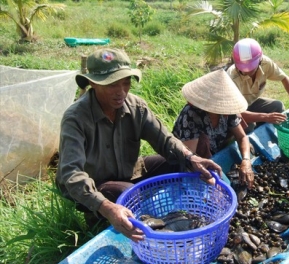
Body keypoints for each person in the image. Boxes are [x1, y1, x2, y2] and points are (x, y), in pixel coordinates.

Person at [55, 48, 222, 242]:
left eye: (126, 83)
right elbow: (71, 175)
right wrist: (106, 207)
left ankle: (185, 214)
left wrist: (190, 158)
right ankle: (100, 217)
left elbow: (165, 140)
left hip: (130, 171)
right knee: (128, 194)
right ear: (93, 83)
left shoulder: (136, 107)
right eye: (112, 85)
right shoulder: (75, 118)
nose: (121, 92)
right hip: (96, 184)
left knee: (181, 160)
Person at [172, 69, 255, 188]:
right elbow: (191, 157)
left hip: (215, 149)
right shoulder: (191, 114)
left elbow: (241, 136)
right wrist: (212, 179)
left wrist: (246, 161)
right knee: (203, 141)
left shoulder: (228, 111)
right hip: (191, 158)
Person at [226, 38, 289, 132]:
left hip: (251, 103)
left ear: (260, 60)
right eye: (244, 68)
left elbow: (284, 78)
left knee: (277, 106)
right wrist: (265, 117)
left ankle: (266, 133)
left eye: (251, 67)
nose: (247, 71)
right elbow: (235, 113)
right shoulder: (231, 77)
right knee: (248, 126)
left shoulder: (265, 63)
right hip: (235, 111)